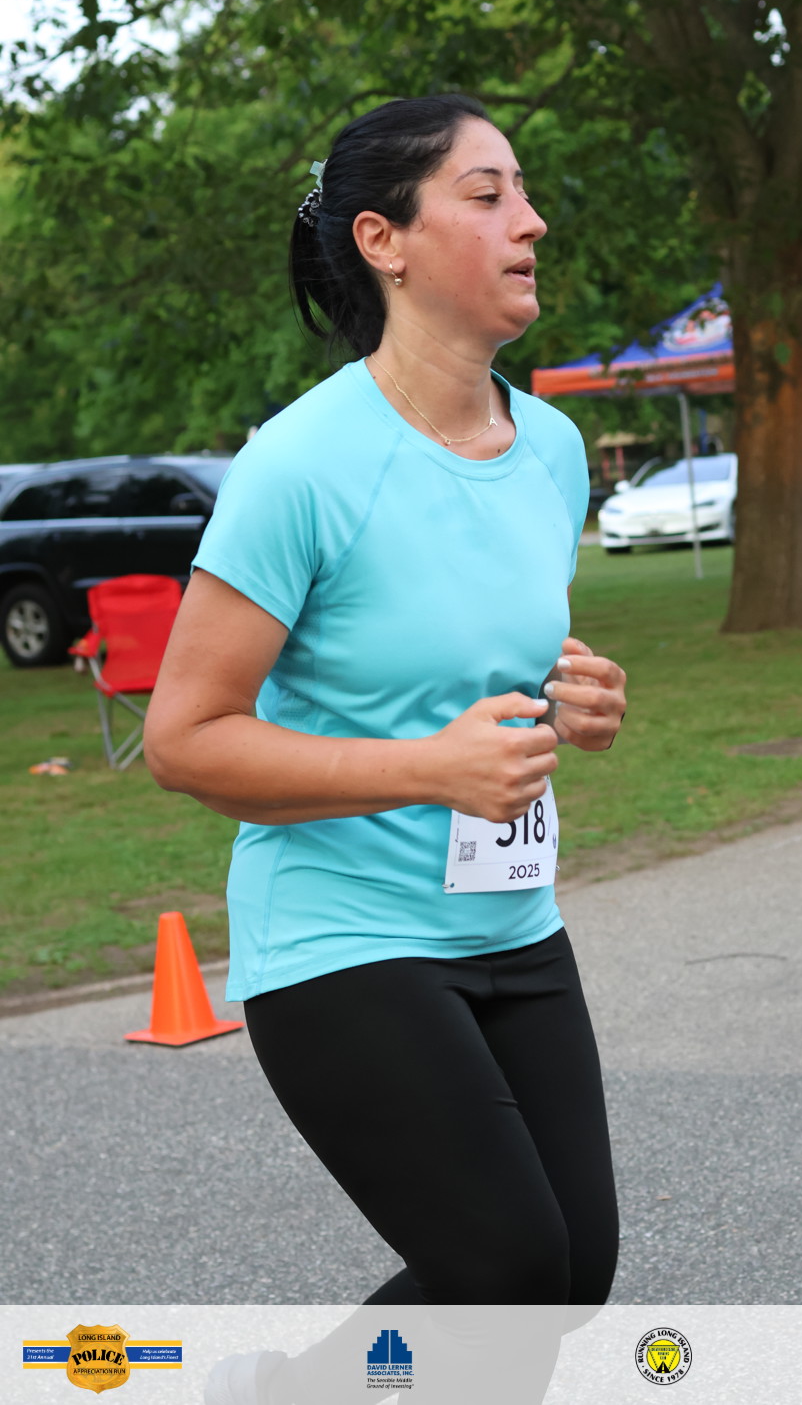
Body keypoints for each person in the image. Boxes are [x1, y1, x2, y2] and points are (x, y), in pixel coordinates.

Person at [145, 93, 627, 1401]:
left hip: (511, 920)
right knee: (507, 1268)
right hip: (343, 936)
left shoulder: (553, 448)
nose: (531, 221)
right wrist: (428, 769)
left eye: (524, 191)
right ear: (384, 240)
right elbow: (183, 739)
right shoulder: (301, 464)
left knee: (571, 1276)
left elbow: (478, 659)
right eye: (487, 194)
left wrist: (574, 698)